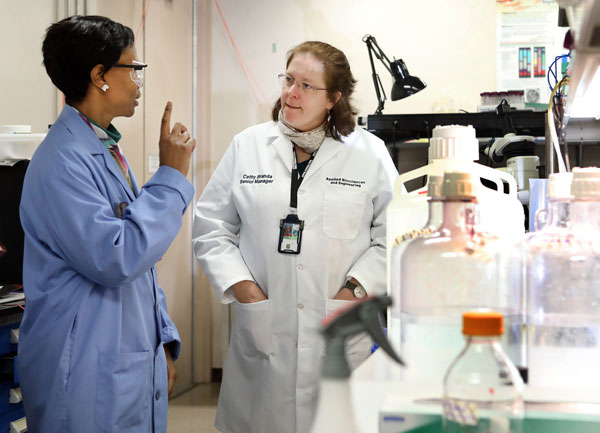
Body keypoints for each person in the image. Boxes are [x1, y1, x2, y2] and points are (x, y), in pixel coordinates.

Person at [193, 41, 398, 433]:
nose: (291, 92)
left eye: (307, 85)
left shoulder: (369, 153)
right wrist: (245, 290)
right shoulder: (248, 146)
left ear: (334, 98)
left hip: (340, 323)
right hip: (263, 328)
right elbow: (211, 226)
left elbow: (393, 235)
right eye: (288, 80)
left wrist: (356, 290)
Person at [18, 15, 195, 433]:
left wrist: (163, 340)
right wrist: (171, 177)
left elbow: (143, 264)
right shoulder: (63, 160)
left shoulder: (103, 146)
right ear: (99, 75)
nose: (138, 82)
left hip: (121, 353)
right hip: (80, 363)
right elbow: (116, 256)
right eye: (133, 69)